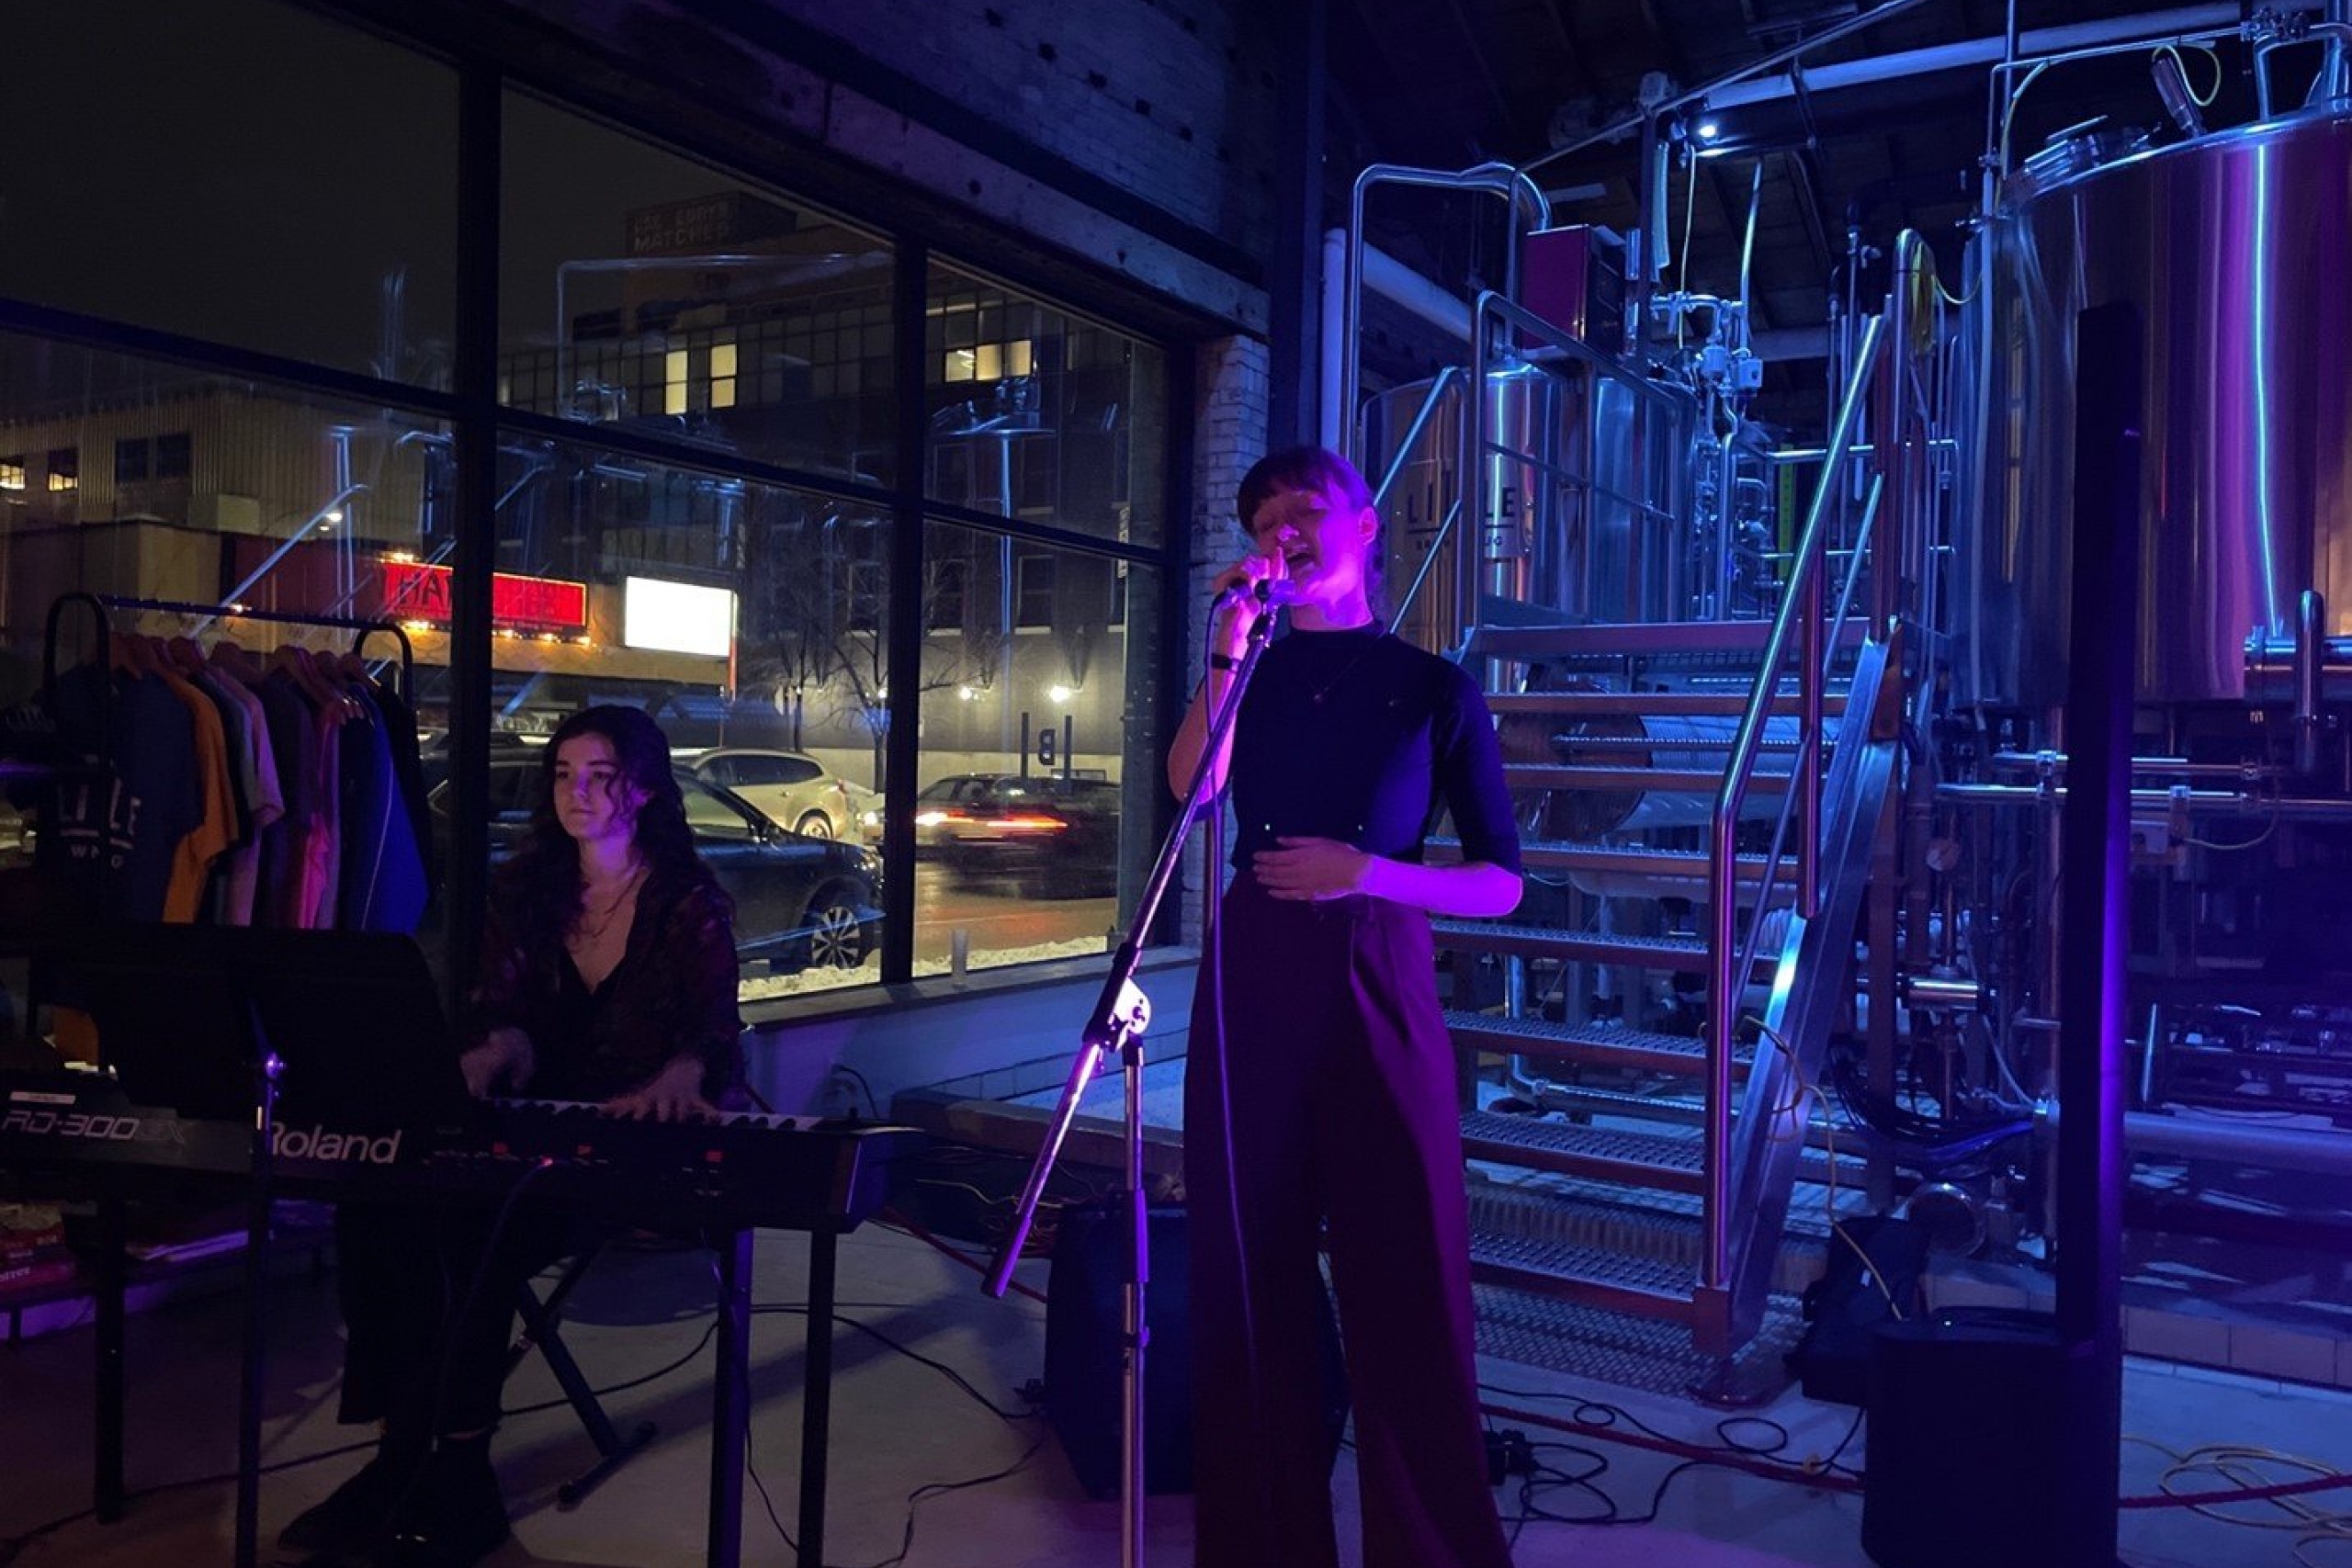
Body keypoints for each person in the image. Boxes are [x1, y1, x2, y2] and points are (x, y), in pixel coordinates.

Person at [1166, 446, 1523, 1568]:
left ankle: (1429, 1547)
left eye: (1303, 509)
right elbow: (1192, 791)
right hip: (1256, 969)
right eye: (1262, 517)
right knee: (1248, 1259)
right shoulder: (1248, 669)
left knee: (1404, 1264)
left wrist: (1368, 873)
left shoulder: (1433, 687)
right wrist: (1227, 649)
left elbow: (1502, 882)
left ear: (1364, 526)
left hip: (1380, 968)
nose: (1282, 529)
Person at [283, 705, 742, 1567]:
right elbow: (502, 1011)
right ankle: (398, 1454)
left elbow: (714, 1031)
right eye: (564, 774)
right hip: (534, 1119)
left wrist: (682, 1076)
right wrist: (496, 1049)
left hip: (626, 1137)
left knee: (470, 1231)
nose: (576, 792)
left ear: (645, 789)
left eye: (599, 776)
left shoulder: (688, 903)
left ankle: (458, 1469)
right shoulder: (528, 890)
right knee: (379, 1204)